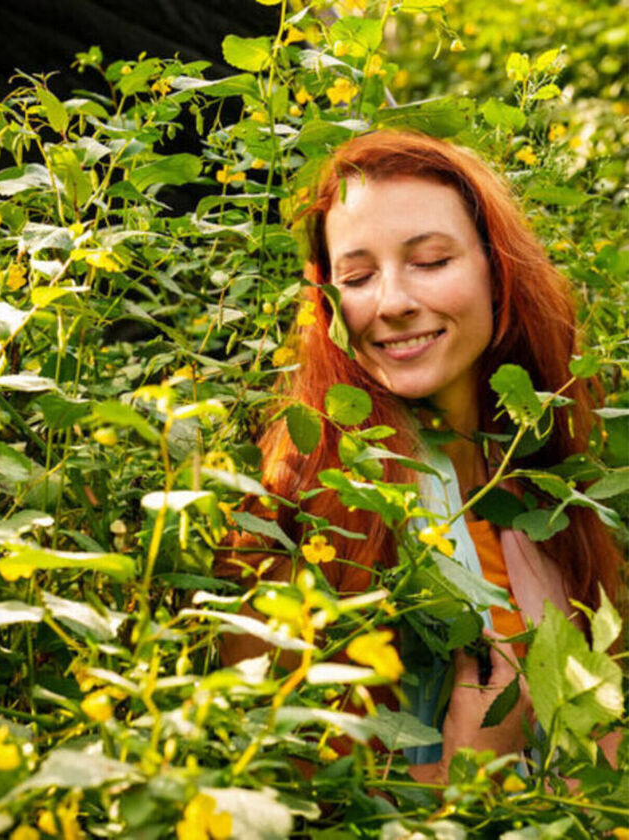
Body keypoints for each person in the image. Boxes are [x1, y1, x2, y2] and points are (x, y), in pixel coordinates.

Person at [215, 130, 625, 780]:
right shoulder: (301, 514)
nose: (394, 302)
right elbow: (287, 796)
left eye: (431, 261)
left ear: (498, 272)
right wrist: (469, 774)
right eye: (357, 276)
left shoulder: (549, 489)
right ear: (328, 304)